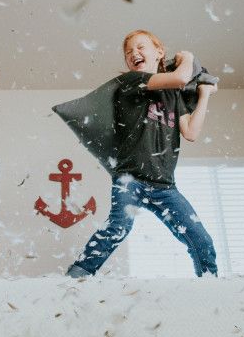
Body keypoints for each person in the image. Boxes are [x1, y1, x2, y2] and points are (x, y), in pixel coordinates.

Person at [66, 30, 218, 278]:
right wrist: (188, 57)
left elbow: (190, 132)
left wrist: (203, 95)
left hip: (164, 186)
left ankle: (212, 285)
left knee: (201, 240)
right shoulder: (132, 81)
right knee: (118, 227)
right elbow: (181, 77)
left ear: (159, 52)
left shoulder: (174, 95)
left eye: (140, 47)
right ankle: (74, 278)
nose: (133, 54)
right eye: (128, 53)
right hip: (130, 179)